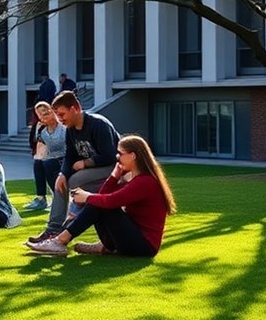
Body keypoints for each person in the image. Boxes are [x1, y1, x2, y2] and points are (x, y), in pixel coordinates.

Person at [27, 135, 176, 257]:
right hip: (133, 240)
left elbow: (111, 201)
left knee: (100, 203)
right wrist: (113, 177)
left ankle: (61, 241)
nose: (117, 157)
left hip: (144, 247)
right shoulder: (135, 178)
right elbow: (104, 195)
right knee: (99, 202)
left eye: (121, 154)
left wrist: (86, 197)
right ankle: (103, 246)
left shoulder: (145, 182)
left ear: (133, 156)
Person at [28, 90, 120, 244]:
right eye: (57, 115)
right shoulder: (71, 130)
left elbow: (110, 156)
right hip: (94, 171)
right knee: (61, 182)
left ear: (74, 109)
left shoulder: (98, 124)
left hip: (115, 168)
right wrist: (62, 174)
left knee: (75, 180)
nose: (60, 119)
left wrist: (86, 163)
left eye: (62, 114)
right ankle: (53, 228)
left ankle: (67, 226)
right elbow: (70, 155)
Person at [24, 102, 66, 211]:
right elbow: (39, 150)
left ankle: (58, 196)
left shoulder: (62, 127)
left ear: (52, 111)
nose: (43, 117)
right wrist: (37, 130)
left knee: (48, 163)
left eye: (45, 113)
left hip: (64, 157)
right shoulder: (43, 131)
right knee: (38, 163)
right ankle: (41, 198)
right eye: (40, 115)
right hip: (52, 157)